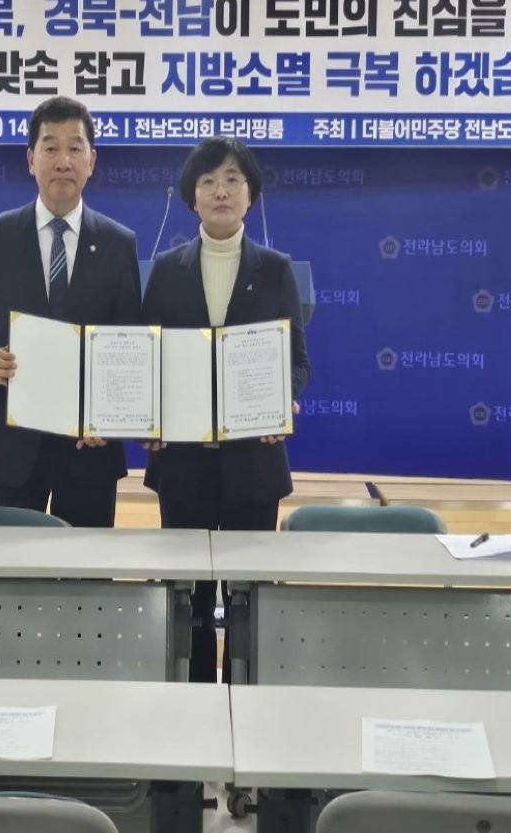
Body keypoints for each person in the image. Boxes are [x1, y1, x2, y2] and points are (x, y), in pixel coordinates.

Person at [142, 135, 311, 681]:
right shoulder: (166, 269)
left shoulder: (276, 269)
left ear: (250, 195)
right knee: (187, 599)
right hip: (182, 463)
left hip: (252, 463)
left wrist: (284, 399)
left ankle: (247, 697)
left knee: (249, 596)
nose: (221, 191)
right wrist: (148, 416)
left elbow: (296, 360)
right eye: (209, 181)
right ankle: (191, 699)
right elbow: (148, 358)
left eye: (233, 180)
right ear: (192, 196)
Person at [0, 96, 141, 527]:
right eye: (50, 147)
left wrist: (110, 416)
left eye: (75, 148)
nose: (63, 161)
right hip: (11, 447)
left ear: (92, 161)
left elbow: (129, 340)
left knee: (87, 570)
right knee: (11, 565)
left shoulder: (118, 243)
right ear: (30, 159)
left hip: (89, 449)